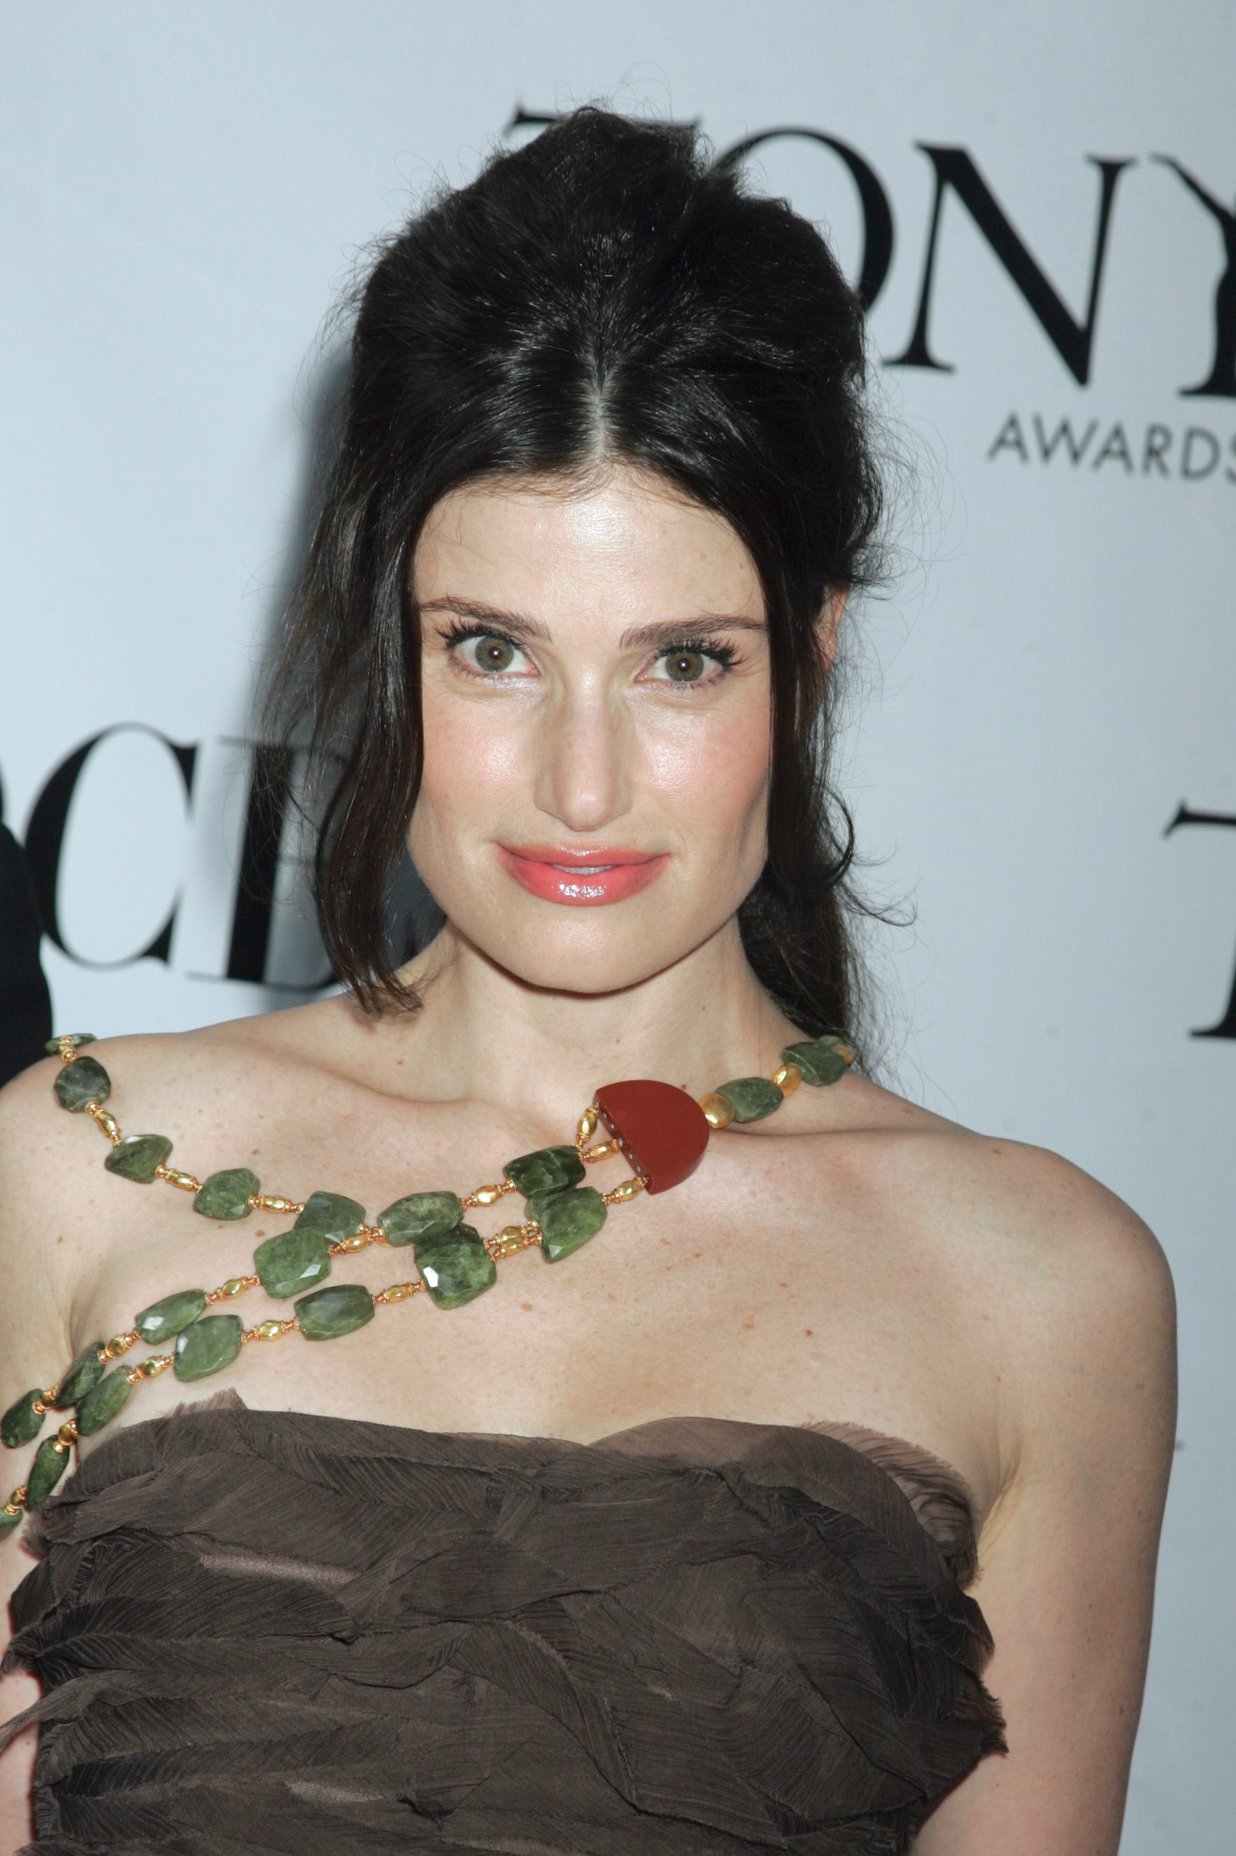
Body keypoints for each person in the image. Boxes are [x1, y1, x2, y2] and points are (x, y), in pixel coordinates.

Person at [0, 104, 1175, 1854]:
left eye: (683, 664)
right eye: (492, 650)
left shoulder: (1045, 1291)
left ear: (814, 655)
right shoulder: (71, 1168)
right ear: (386, 637)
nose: (580, 785)